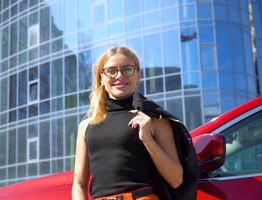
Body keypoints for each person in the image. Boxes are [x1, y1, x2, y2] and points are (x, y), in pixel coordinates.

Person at [72, 46, 191, 200]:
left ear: (137, 74)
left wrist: (147, 139)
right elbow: (79, 184)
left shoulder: (154, 120)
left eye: (127, 70)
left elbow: (176, 180)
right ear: (101, 77)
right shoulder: (86, 126)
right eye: (111, 71)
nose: (119, 76)